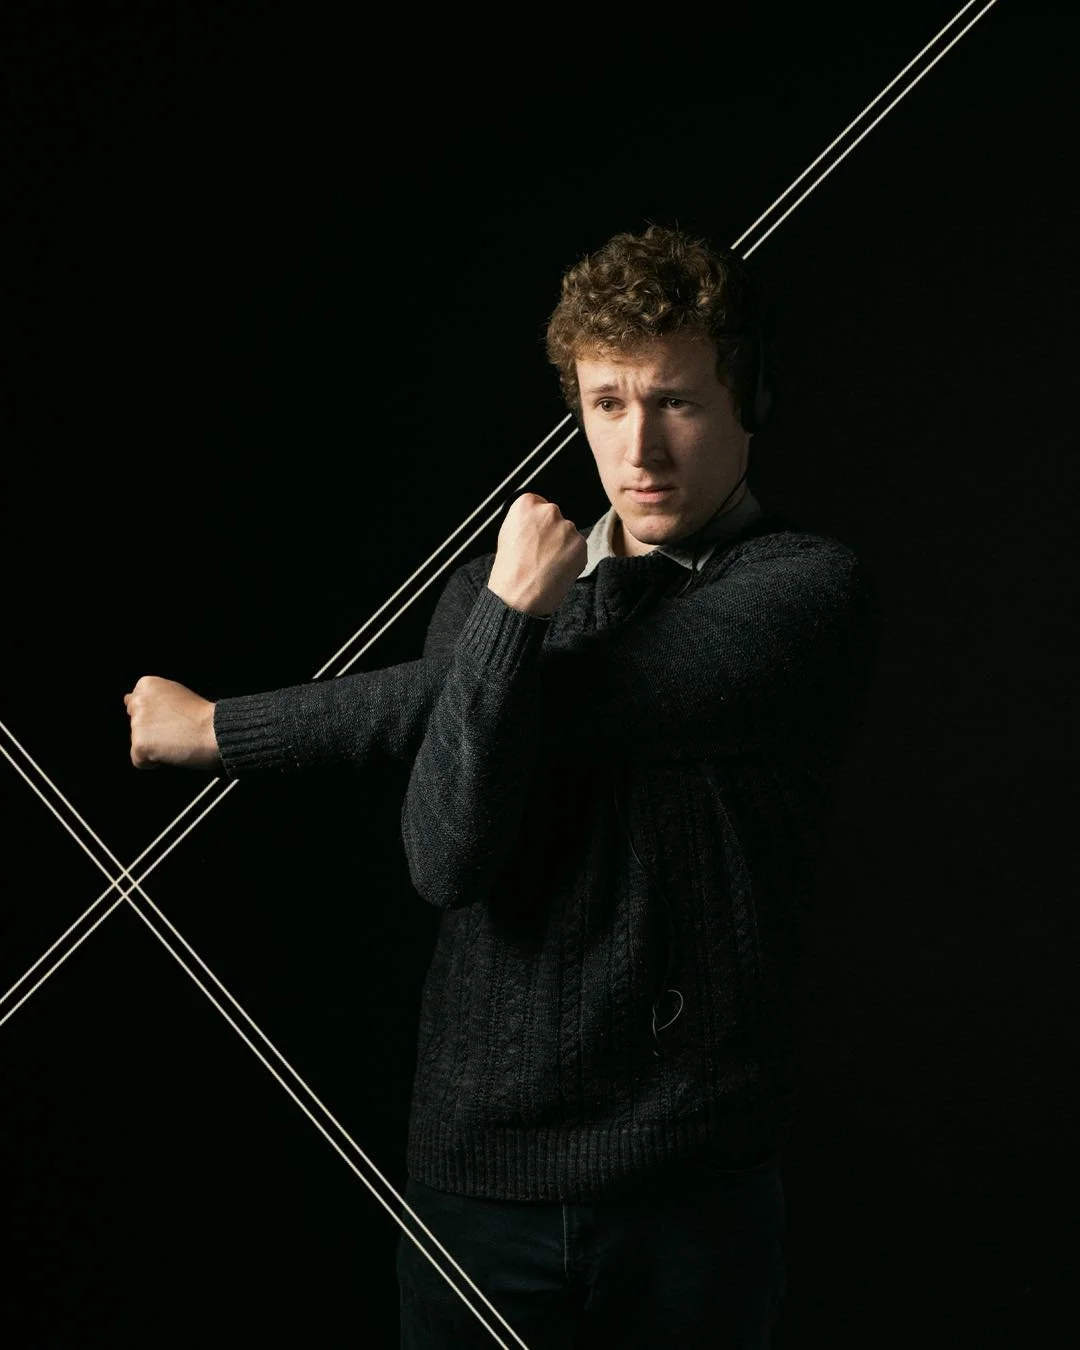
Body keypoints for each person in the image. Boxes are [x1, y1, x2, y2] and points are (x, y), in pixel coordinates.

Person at [124, 223, 879, 1348]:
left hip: (689, 1185)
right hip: (478, 1179)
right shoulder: (497, 600)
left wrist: (226, 729)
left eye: (677, 402)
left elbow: (590, 701)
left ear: (747, 402)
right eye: (608, 404)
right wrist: (513, 620)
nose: (642, 450)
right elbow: (447, 858)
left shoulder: (805, 594)